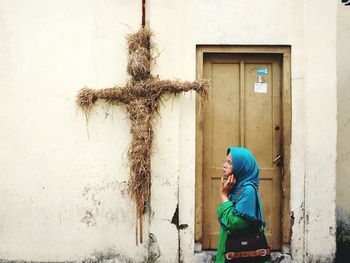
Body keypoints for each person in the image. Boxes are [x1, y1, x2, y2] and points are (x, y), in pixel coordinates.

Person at [215, 147, 269, 263]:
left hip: (243, 254)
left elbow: (234, 222)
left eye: (229, 163)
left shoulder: (248, 190)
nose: (224, 165)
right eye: (225, 161)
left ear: (242, 167)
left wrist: (224, 195)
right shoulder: (235, 187)